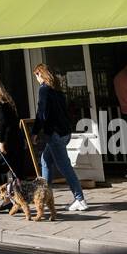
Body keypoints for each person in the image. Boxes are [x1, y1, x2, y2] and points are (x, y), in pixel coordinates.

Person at [33, 63, 87, 212]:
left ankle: (80, 199)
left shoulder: (44, 89)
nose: (36, 78)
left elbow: (41, 113)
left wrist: (35, 131)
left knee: (65, 166)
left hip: (55, 134)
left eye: (36, 75)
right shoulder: (58, 91)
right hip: (65, 132)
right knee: (45, 160)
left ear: (40, 74)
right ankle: (45, 196)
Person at [0, 76, 24, 209]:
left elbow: (2, 123)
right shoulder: (7, 100)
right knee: (14, 169)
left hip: (6, 141)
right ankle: (15, 198)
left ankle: (8, 198)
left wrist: (1, 142)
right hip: (15, 139)